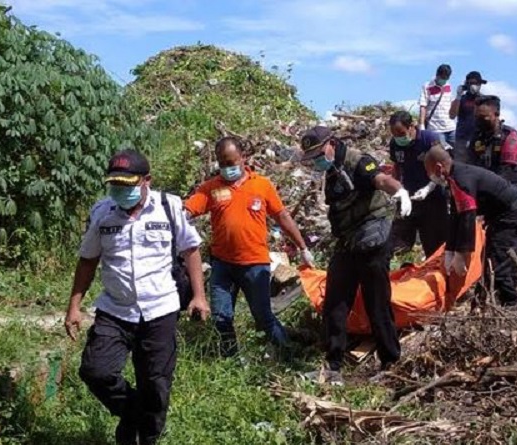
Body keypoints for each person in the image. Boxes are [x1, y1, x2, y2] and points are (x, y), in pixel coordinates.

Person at [65, 149, 210, 445]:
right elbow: (87, 260)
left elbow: (191, 250)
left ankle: (146, 438)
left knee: (156, 385)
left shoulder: (169, 207)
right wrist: (74, 307)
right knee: (95, 371)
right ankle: (131, 413)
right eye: (115, 185)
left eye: (127, 185)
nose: (120, 191)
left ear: (146, 181)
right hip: (115, 310)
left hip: (160, 310)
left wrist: (199, 297)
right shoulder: (101, 212)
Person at [299, 126, 410, 385]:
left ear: (332, 144)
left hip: (373, 241)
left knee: (377, 302)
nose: (316, 160)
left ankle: (390, 362)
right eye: (312, 156)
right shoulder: (333, 171)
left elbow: (381, 180)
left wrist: (400, 192)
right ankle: (333, 366)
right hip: (348, 241)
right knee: (335, 302)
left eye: (318, 153)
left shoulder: (357, 162)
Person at [185, 137, 314, 357]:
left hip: (255, 265)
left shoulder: (261, 185)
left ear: (243, 158)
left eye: (231, 162)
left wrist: (302, 248)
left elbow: (282, 216)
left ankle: (287, 355)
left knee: (263, 316)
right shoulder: (211, 188)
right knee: (221, 318)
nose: (227, 168)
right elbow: (188, 209)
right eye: (222, 164)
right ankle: (230, 360)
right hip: (222, 266)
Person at [417, 146, 517, 307]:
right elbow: (456, 215)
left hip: (512, 216)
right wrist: (450, 249)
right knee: (490, 260)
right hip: (501, 216)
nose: (429, 176)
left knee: (498, 264)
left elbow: (467, 218)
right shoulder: (454, 178)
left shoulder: (462, 180)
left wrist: (461, 254)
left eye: (429, 172)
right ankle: (483, 303)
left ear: (438, 167)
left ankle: (512, 306)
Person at [387, 110, 450, 258]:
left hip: (433, 197)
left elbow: (445, 166)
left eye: (401, 133)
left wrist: (429, 187)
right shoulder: (395, 144)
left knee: (433, 243)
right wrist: (398, 191)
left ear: (411, 127)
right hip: (409, 197)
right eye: (394, 134)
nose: (398, 137)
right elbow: (397, 167)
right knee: (399, 242)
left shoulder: (430, 139)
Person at [468, 95, 517, 196]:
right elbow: (470, 164)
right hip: (486, 189)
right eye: (476, 117)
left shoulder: (509, 136)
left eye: (483, 117)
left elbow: (506, 172)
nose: (478, 121)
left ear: (496, 114)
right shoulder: (477, 136)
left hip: (510, 191)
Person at [450, 71, 487, 163]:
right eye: (471, 83)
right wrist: (458, 96)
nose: (474, 86)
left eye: (476, 83)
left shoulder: (484, 100)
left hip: (479, 140)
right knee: (460, 166)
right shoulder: (462, 99)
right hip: (462, 139)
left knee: (478, 165)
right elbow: (452, 115)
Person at [419, 63, 457, 146]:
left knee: (457, 153)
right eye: (442, 78)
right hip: (435, 129)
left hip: (451, 127)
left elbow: (453, 104)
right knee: (442, 154)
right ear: (437, 75)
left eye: (446, 78)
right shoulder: (427, 86)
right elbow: (423, 106)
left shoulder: (449, 86)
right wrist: (421, 125)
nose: (444, 80)